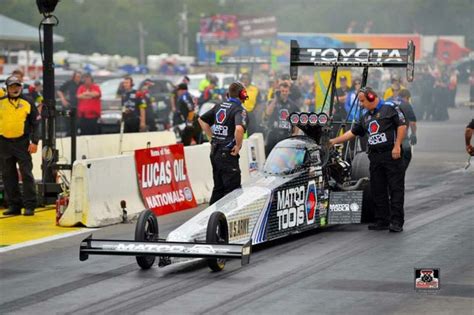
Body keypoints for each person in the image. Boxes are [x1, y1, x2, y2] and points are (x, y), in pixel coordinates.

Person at [329, 87, 407, 232]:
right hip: (375, 156)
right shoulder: (365, 116)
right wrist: (334, 141)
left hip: (391, 154)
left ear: (372, 97)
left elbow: (402, 126)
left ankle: (396, 222)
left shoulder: (390, 108)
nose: (361, 104)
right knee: (378, 189)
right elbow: (352, 132)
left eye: (363, 101)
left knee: (396, 188)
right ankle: (382, 220)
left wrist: (397, 146)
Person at [198, 81, 248, 205]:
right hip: (227, 154)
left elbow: (201, 120)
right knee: (232, 191)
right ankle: (227, 221)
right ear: (242, 94)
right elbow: (239, 128)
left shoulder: (219, 105)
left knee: (218, 188)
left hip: (215, 151)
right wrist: (237, 145)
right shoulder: (239, 110)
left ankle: (211, 220)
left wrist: (212, 138)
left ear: (228, 94)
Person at [0, 76, 41, 216]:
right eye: (12, 86)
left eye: (17, 86)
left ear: (21, 87)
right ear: (7, 88)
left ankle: (30, 205)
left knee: (26, 174)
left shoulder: (28, 102)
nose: (15, 89)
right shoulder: (1, 103)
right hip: (4, 144)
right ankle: (14, 206)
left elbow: (36, 124)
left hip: (22, 143)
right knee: (8, 175)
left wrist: (35, 142)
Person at [264, 82, 300, 156]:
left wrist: (295, 134)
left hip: (286, 135)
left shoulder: (293, 105)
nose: (284, 93)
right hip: (273, 134)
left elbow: (297, 122)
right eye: (282, 91)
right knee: (270, 156)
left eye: (286, 91)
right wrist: (275, 98)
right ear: (279, 91)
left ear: (289, 92)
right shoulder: (272, 102)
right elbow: (268, 113)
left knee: (285, 157)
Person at [398, 89, 417, 170]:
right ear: (407, 97)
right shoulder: (406, 105)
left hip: (388, 135)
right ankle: (400, 172)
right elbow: (412, 123)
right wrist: (413, 134)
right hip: (402, 136)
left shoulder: (390, 102)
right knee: (407, 154)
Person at [57, 71, 82, 135]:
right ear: (74, 77)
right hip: (67, 106)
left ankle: (75, 134)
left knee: (77, 123)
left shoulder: (82, 84)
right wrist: (63, 100)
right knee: (67, 121)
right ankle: (68, 134)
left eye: (80, 77)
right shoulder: (68, 83)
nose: (79, 78)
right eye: (77, 76)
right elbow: (59, 91)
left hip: (78, 107)